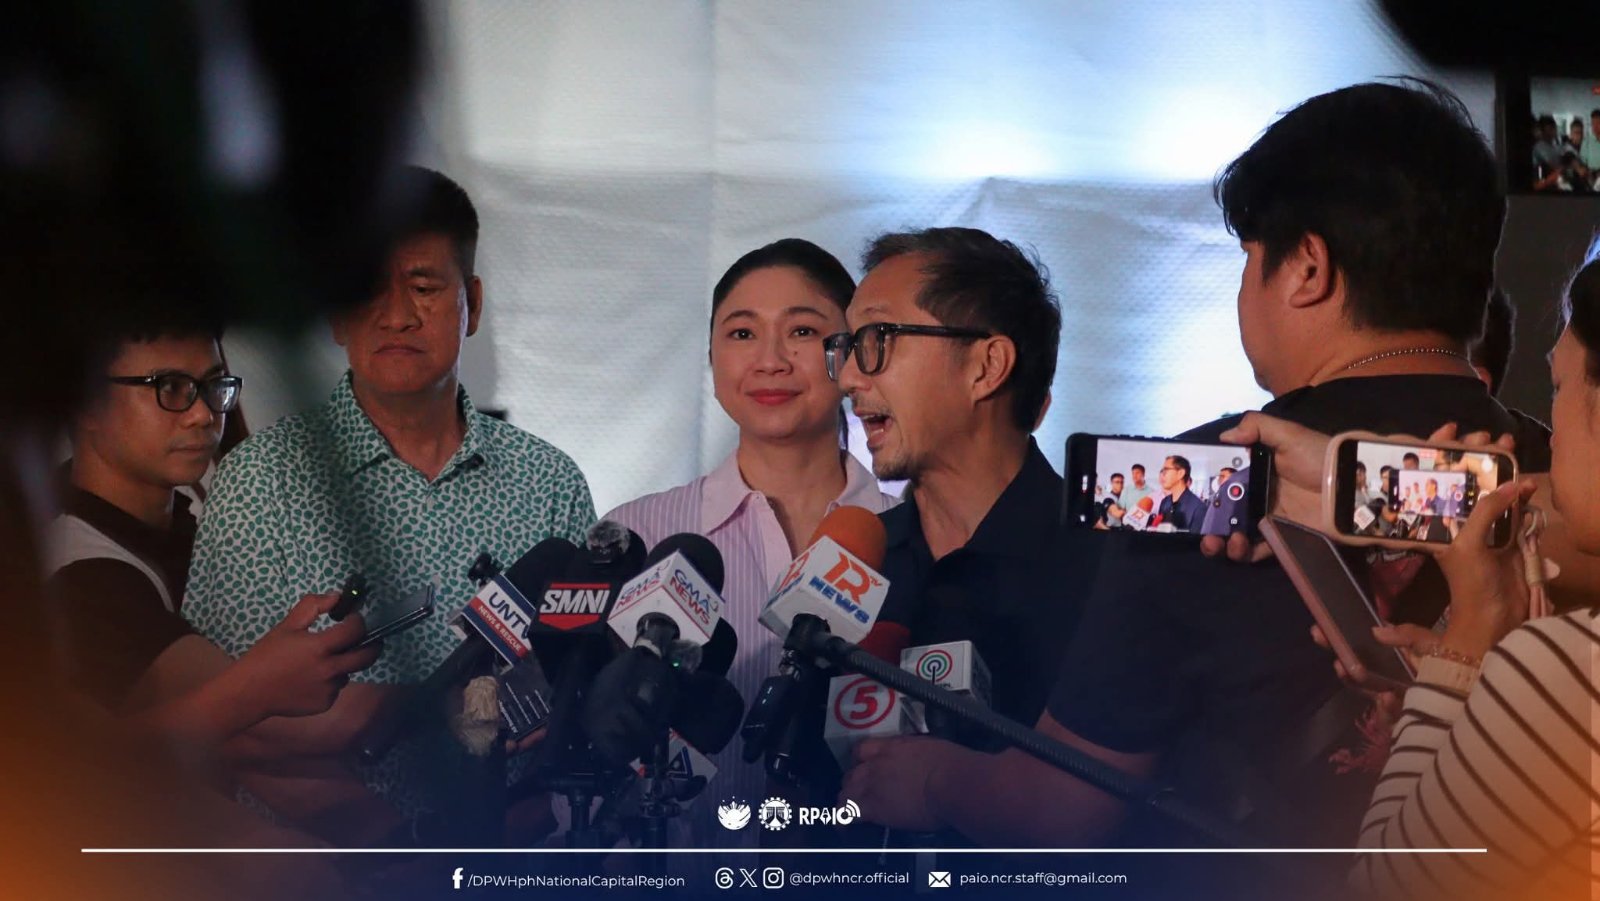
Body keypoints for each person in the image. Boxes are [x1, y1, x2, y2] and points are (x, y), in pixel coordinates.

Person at [841, 81, 1551, 886]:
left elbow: (1062, 803)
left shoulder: (1194, 482)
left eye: (1250, 259)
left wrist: (931, 778)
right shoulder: (1560, 479)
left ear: (1307, 267)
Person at [182, 167, 596, 843]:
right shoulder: (260, 481)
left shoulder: (549, 482)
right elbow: (228, 727)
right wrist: (398, 853)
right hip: (324, 870)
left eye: (425, 287)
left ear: (472, 304)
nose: (397, 314)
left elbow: (582, 692)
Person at [603, 239, 897, 850]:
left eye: (802, 331)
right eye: (741, 334)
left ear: (850, 356)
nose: (770, 360)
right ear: (712, 361)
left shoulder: (910, 536)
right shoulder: (641, 535)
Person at [46, 311, 380, 748]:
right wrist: (441, 699)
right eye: (170, 387)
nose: (203, 415)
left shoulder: (189, 528)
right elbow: (290, 728)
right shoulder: (82, 574)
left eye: (213, 385)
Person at [829, 226, 1074, 727]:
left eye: (877, 338)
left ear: (986, 367)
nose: (849, 377)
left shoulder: (1106, 569)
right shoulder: (854, 566)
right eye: (849, 346)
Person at [1154, 454, 1206, 531]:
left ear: (1180, 473)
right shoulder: (1165, 502)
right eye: (1162, 471)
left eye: (1166, 470)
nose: (1162, 475)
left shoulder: (1198, 508)